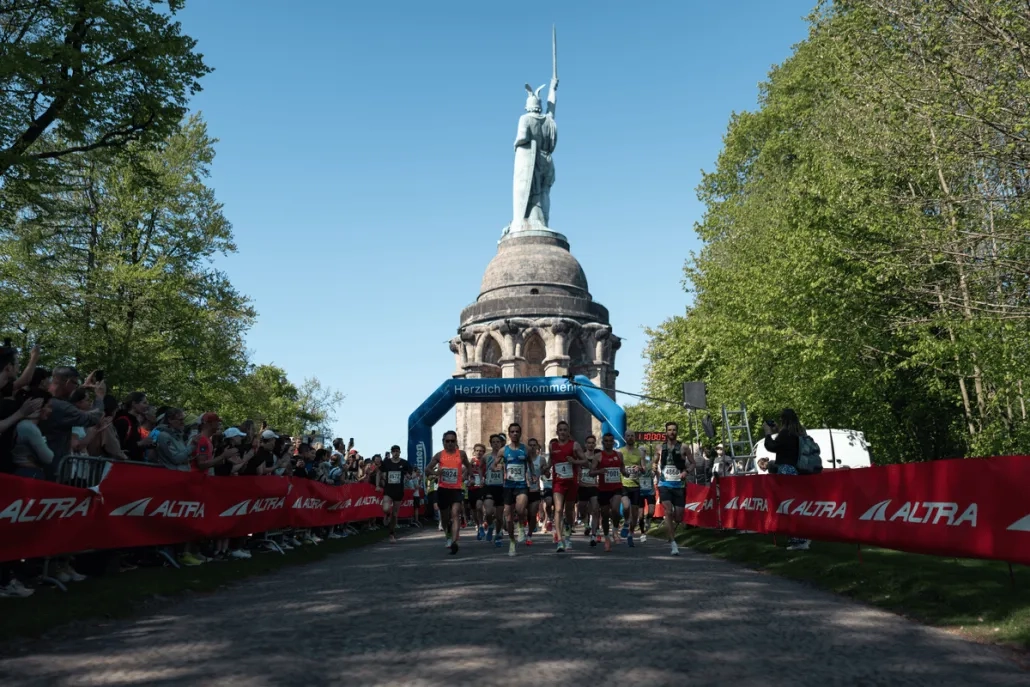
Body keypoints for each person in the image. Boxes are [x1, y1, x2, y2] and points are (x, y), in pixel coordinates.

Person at [763, 409, 810, 551]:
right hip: (799, 470)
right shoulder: (800, 432)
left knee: (788, 505)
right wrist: (778, 431)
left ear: (783, 419)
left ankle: (797, 540)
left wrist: (768, 433)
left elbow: (772, 447)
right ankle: (804, 536)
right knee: (798, 505)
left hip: (786, 470)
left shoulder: (786, 434)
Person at [425, 430, 471, 555]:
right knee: (445, 518)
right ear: (443, 442)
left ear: (456, 442)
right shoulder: (439, 455)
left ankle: (455, 542)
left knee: (455, 514)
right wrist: (436, 473)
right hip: (443, 489)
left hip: (456, 489)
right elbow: (427, 469)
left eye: (452, 441)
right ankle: (449, 535)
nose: (450, 443)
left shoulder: (461, 454)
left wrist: (466, 475)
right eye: (447, 441)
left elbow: (468, 466)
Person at [549, 421, 589, 553]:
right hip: (558, 483)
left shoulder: (574, 445)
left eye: (565, 430)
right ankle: (560, 540)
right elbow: (551, 461)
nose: (562, 432)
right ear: (557, 432)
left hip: (572, 482)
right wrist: (545, 469)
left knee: (569, 511)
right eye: (560, 430)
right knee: (558, 509)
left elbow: (585, 462)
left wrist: (575, 461)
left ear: (568, 432)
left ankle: (567, 531)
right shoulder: (552, 446)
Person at [657, 422, 689, 555]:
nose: (672, 432)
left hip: (679, 485)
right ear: (666, 432)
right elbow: (654, 462)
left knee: (679, 517)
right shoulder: (660, 447)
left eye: (674, 430)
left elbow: (692, 463)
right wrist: (654, 468)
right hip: (664, 484)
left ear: (677, 432)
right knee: (668, 511)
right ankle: (673, 543)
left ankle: (670, 533)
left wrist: (686, 472)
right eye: (669, 430)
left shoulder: (684, 447)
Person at [593, 432, 627, 552]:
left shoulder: (619, 455)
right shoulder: (598, 456)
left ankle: (615, 530)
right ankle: (607, 537)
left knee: (615, 510)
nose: (608, 443)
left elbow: (622, 468)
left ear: (613, 442)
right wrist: (599, 471)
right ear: (603, 442)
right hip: (603, 489)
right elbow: (591, 472)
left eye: (610, 441)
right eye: (606, 441)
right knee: (605, 514)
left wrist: (625, 473)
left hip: (616, 487)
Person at [501, 423, 531, 557]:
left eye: (517, 431)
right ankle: (512, 541)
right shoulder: (504, 450)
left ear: (520, 433)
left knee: (520, 509)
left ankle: (521, 527)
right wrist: (496, 467)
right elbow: (495, 464)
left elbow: (530, 463)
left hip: (522, 485)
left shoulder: (526, 449)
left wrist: (533, 474)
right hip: (508, 486)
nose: (515, 434)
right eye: (512, 431)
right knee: (508, 518)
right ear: (509, 434)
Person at [377, 445, 413, 544]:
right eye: (394, 451)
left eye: (397, 451)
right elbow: (378, 472)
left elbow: (411, 473)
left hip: (399, 491)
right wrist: (377, 485)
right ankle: (386, 514)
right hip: (388, 490)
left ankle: (391, 534)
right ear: (391, 452)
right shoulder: (387, 462)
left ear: (400, 452)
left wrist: (409, 476)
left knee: (395, 514)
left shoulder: (404, 463)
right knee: (386, 509)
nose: (396, 453)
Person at [619, 430, 648, 545]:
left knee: (635, 513)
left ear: (634, 438)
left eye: (632, 436)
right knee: (626, 507)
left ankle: (630, 534)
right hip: (624, 484)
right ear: (625, 437)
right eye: (628, 436)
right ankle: (626, 522)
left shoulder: (640, 452)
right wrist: (623, 471)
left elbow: (644, 469)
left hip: (635, 485)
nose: (630, 437)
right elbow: (618, 466)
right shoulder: (620, 452)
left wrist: (639, 468)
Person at [483, 435, 505, 545]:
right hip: (489, 486)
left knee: (499, 517)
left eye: (498, 442)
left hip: (501, 487)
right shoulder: (486, 457)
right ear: (490, 444)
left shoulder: (505, 457)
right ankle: (491, 526)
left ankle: (498, 534)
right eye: (494, 442)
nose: (496, 444)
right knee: (488, 512)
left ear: (501, 444)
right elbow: (480, 467)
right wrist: (481, 477)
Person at [579, 435, 600, 547]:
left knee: (595, 509)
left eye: (592, 443)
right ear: (585, 444)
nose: (591, 445)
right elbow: (578, 472)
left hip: (594, 486)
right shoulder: (581, 457)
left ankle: (593, 535)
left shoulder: (598, 458)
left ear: (595, 444)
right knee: (582, 509)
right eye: (589, 443)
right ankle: (585, 522)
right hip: (583, 486)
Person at [525, 437, 546, 546]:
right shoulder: (523, 458)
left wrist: (546, 471)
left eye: (534, 445)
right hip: (523, 489)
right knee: (524, 512)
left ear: (537, 447)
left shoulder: (541, 459)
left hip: (535, 489)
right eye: (530, 445)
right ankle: (525, 527)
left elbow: (545, 472)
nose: (532, 447)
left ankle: (529, 535)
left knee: (533, 513)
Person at [468, 443, 488, 540]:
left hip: (481, 487)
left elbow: (488, 474)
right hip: (472, 488)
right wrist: (467, 480)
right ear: (474, 451)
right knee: (473, 510)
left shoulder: (485, 462)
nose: (479, 452)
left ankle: (481, 524)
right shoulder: (471, 462)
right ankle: (478, 525)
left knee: (479, 506)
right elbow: (466, 473)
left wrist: (484, 480)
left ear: (484, 452)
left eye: (481, 451)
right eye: (477, 451)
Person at [638, 453, 655, 543]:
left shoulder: (650, 463)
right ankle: (642, 533)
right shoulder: (636, 463)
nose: (641, 454)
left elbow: (656, 472)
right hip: (639, 492)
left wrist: (655, 475)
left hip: (650, 491)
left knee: (651, 511)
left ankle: (648, 519)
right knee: (640, 515)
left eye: (643, 452)